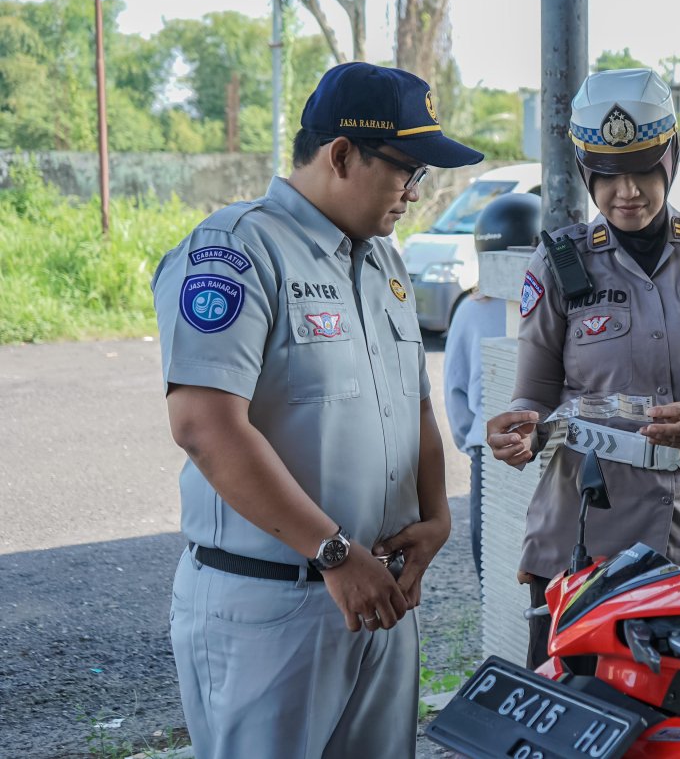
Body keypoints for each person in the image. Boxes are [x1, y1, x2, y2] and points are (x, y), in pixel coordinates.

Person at [152, 62, 482, 759]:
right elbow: (204, 426)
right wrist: (333, 552)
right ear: (341, 155)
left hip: (378, 598)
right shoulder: (239, 249)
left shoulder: (386, 262)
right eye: (407, 172)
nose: (415, 195)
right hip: (274, 609)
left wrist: (436, 518)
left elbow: (413, 406)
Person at [485, 67, 680, 668]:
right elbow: (534, 397)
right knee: (583, 718)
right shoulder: (560, 261)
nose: (628, 191)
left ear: (670, 159)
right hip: (588, 536)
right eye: (609, 175)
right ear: (585, 172)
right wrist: (520, 427)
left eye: (644, 168)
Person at [443, 192, 541, 582]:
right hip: (543, 448)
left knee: (496, 570)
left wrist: (474, 445)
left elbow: (455, 391)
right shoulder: (553, 303)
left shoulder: (470, 308)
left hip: (490, 451)